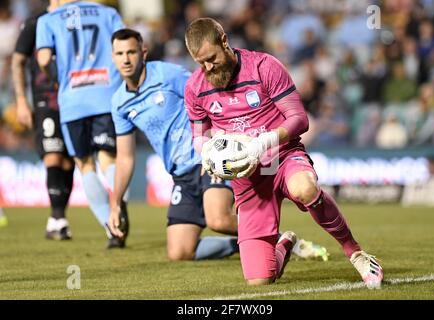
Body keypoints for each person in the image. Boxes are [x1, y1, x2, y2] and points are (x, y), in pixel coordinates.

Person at [184, 18, 383, 287]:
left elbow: (299, 119)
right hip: (248, 177)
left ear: (224, 41)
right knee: (260, 280)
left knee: (304, 188)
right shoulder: (195, 88)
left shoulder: (264, 67)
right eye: (200, 62)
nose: (207, 67)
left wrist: (263, 142)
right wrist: (206, 153)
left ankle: (356, 253)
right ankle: (285, 243)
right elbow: (199, 135)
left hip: (283, 156)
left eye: (211, 58)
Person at [108, 29, 329, 262]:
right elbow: (125, 158)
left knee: (219, 219)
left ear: (143, 52)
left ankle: (273, 242)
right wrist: (116, 204)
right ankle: (254, 242)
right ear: (112, 57)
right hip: (180, 174)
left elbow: (211, 95)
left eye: (131, 52)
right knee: (179, 252)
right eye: (119, 53)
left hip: (210, 160)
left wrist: (216, 146)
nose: (125, 59)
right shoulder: (119, 103)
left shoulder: (167, 75)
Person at [36, 0, 129, 248]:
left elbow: (44, 59)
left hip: (73, 99)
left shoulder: (48, 20)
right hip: (106, 95)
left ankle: (111, 229)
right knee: (109, 159)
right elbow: (126, 45)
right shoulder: (108, 13)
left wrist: (60, 78)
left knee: (85, 164)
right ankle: (121, 199)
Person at [12, 1, 74, 240]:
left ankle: (56, 218)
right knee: (53, 154)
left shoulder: (76, 22)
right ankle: (58, 216)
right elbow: (18, 61)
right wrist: (20, 100)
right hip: (45, 99)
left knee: (69, 161)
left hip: (73, 99)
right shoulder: (35, 23)